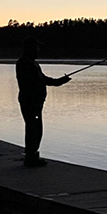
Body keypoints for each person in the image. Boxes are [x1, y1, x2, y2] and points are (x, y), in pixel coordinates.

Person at [16, 37, 70, 167]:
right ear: (30, 48)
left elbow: (42, 79)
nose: (38, 50)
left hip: (36, 102)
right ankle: (31, 157)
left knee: (36, 129)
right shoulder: (24, 63)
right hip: (30, 102)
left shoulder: (33, 63)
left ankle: (32, 155)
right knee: (33, 129)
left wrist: (58, 82)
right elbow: (33, 81)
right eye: (36, 47)